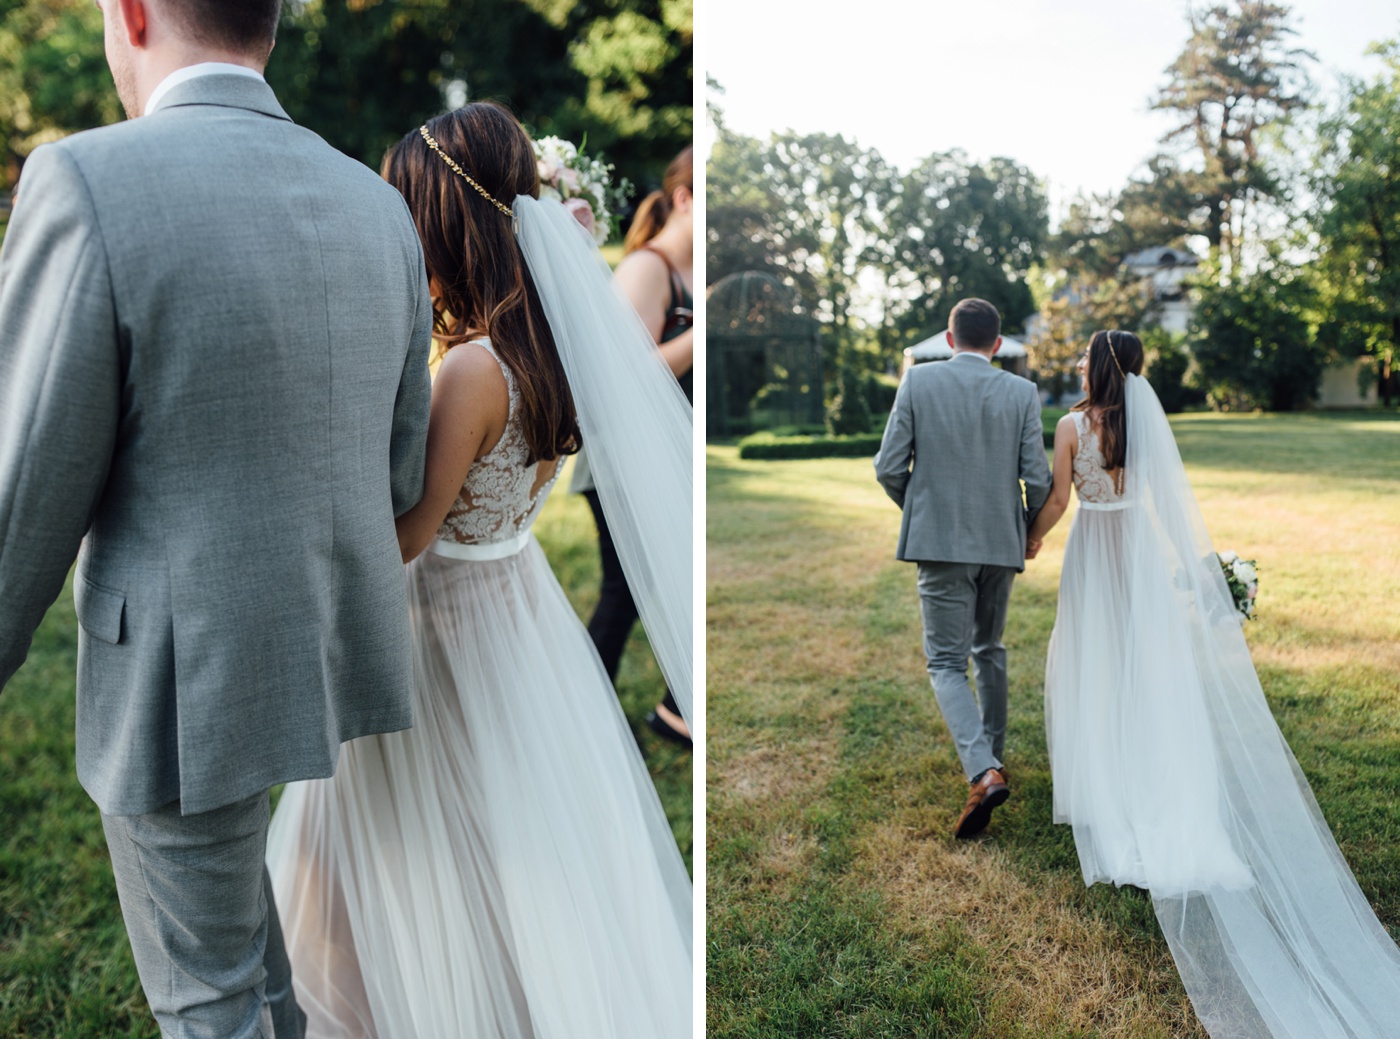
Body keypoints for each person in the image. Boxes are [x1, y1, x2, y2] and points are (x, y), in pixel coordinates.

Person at [0, 1, 434, 1036]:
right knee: (251, 975)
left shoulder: (87, 179)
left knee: (207, 1003)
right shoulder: (376, 206)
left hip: (178, 681)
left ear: (133, 13)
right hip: (326, 643)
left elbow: (21, 494)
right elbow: (402, 463)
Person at [264, 103, 693, 1039]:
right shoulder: (558, 348)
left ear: (440, 219)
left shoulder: (471, 369)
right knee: (506, 839)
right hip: (519, 611)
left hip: (441, 627)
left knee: (399, 845)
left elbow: (411, 533)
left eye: (403, 208)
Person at [1031, 330, 1400, 1038]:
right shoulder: (1146, 421)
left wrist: (1028, 537)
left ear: (1096, 366)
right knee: (1143, 676)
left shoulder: (1074, 425)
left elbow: (1057, 501)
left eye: (1084, 357)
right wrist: (1207, 570)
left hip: (1093, 560)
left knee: (1095, 669)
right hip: (1136, 557)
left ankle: (1110, 789)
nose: (1078, 365)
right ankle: (1146, 784)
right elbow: (1171, 511)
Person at [873, 298, 1052, 839]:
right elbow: (1038, 478)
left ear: (950, 340)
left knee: (946, 662)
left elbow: (887, 467)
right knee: (988, 648)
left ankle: (982, 768)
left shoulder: (917, 382)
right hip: (1001, 543)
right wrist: (1024, 526)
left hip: (941, 544)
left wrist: (928, 513)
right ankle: (992, 754)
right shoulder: (1022, 392)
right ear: (997, 345)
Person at [569, 146, 694, 747]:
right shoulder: (647, 268)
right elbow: (622, 375)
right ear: (684, 198)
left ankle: (677, 709)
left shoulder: (693, 274)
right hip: (619, 459)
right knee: (626, 591)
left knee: (666, 583)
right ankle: (587, 722)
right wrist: (703, 333)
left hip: (662, 458)